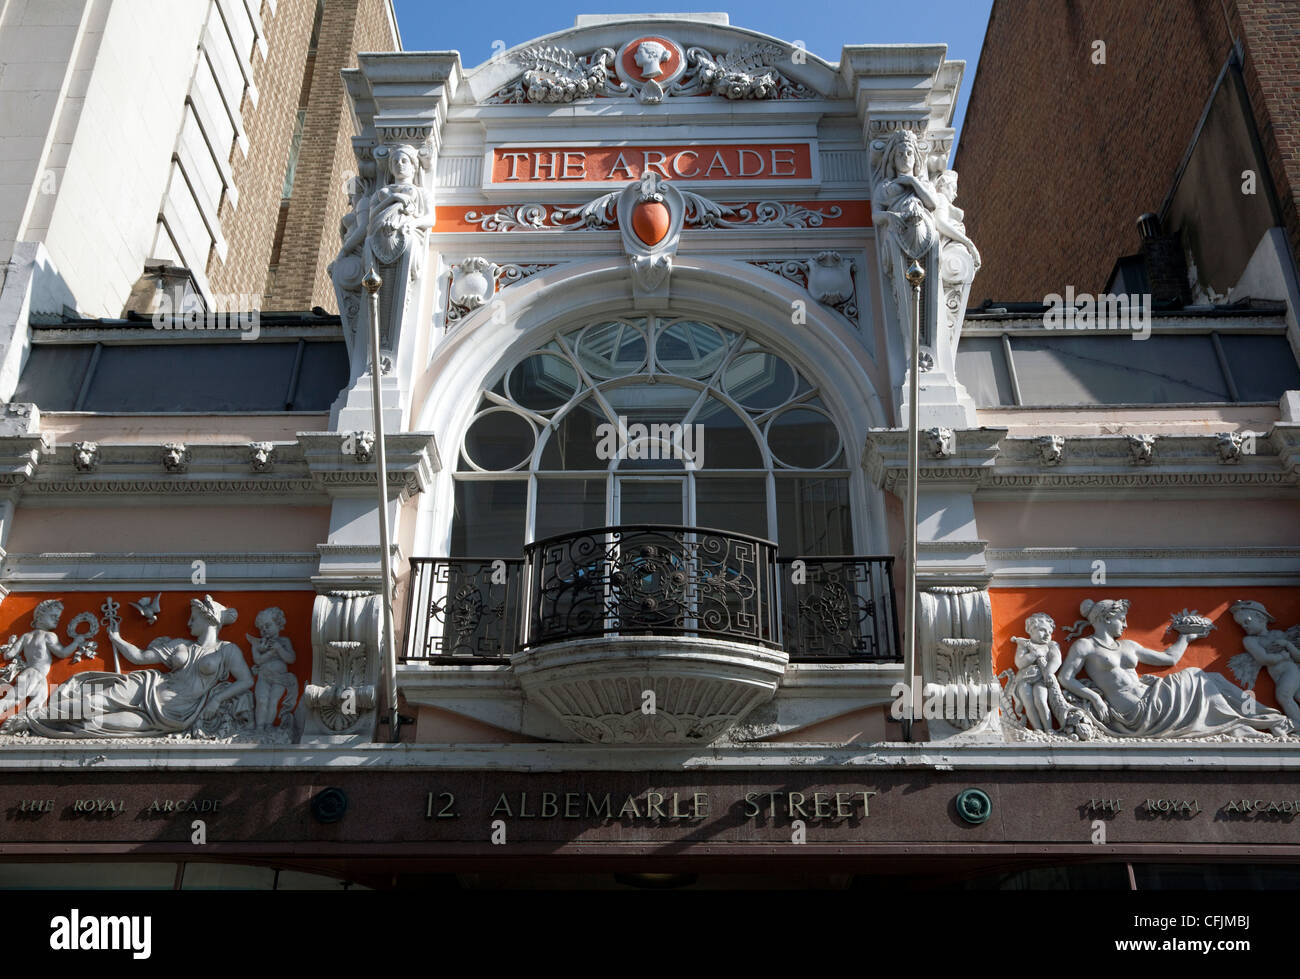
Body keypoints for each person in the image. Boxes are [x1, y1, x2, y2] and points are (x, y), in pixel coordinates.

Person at [5, 595, 253, 738]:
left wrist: (217, 701)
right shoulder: (180, 645)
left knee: (95, 725)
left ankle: (44, 722)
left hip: (173, 715)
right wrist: (117, 639)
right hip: (146, 686)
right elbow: (139, 658)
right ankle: (31, 717)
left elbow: (246, 681)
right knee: (95, 703)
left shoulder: (227, 651)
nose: (188, 623)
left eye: (194, 618)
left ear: (209, 620)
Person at [1058, 598, 1290, 739]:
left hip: (1152, 697)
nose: (1126, 624)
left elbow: (1168, 659)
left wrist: (1185, 638)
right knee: (1196, 676)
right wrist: (1095, 699)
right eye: (1122, 619)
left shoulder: (1128, 645)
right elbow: (1065, 677)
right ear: (1106, 618)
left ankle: (1262, 719)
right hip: (1133, 713)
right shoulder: (1085, 645)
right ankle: (1265, 720)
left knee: (1211, 678)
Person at [0, 600, 85, 719]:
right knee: (14, 698)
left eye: (58, 617)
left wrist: (10, 644)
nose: (57, 619)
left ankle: (25, 722)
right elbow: (62, 653)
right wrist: (76, 642)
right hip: (33, 674)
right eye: (53, 616)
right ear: (40, 616)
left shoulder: (26, 636)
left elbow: (8, 655)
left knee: (39, 701)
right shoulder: (49, 636)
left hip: (37, 676)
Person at [1228, 599, 1300, 729]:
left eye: (1247, 621)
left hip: (1290, 670)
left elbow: (1297, 657)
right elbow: (1263, 659)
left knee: (1283, 695)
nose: (1244, 626)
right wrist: (1282, 656)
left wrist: (1288, 646)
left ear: (1261, 618)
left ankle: (1297, 723)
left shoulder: (1278, 634)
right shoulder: (1250, 641)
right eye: (1240, 624)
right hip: (1277, 674)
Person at [1008, 613, 1063, 731]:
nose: (1047, 634)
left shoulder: (1051, 645)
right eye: (1042, 630)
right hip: (1024, 679)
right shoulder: (1024, 644)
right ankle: (1037, 729)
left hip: (1041, 678)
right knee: (1029, 704)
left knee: (1041, 701)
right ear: (1031, 630)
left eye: (1049, 632)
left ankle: (1049, 729)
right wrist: (1033, 654)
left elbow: (1056, 660)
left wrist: (1048, 672)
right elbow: (1020, 663)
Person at [248, 607, 297, 730]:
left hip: (280, 678)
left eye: (268, 626)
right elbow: (258, 660)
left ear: (278, 624)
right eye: (261, 628)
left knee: (274, 701)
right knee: (261, 700)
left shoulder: (284, 641)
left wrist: (279, 648)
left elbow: (291, 659)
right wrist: (270, 653)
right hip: (263, 676)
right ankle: (259, 727)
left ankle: (269, 725)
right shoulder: (259, 644)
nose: (264, 630)